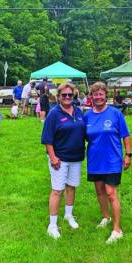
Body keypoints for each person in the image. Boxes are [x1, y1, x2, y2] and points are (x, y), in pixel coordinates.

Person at [84, 82, 131, 244]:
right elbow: (81, 137)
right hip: (94, 160)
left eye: (101, 94)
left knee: (111, 192)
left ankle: (117, 230)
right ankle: (106, 217)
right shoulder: (87, 117)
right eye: (95, 94)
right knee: (99, 191)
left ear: (106, 96)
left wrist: (128, 154)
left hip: (112, 160)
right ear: (91, 97)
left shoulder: (116, 114)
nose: (98, 97)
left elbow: (126, 135)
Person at [41, 83, 85, 240]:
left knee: (71, 187)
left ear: (74, 96)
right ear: (58, 96)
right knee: (57, 190)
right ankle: (52, 225)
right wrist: (52, 157)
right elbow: (47, 138)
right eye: (64, 95)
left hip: (76, 157)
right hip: (59, 158)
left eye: (70, 95)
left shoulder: (79, 112)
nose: (67, 97)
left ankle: (68, 215)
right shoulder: (54, 114)